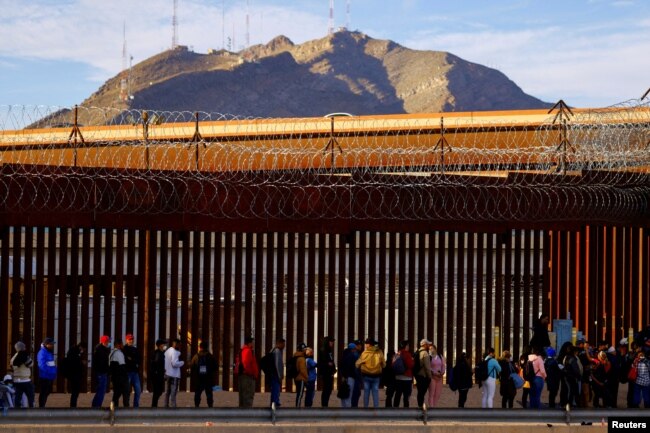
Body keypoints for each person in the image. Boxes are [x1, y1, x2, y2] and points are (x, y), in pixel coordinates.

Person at [355, 338, 386, 408]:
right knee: (375, 393)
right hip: (376, 376)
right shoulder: (379, 352)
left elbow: (357, 364)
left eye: (366, 343)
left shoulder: (365, 353)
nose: (365, 345)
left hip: (366, 376)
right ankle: (376, 408)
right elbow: (384, 365)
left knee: (366, 393)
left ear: (368, 345)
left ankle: (366, 408)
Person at [190, 341, 218, 407]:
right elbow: (215, 367)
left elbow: (192, 366)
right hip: (208, 378)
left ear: (200, 347)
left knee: (197, 393)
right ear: (207, 347)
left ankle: (197, 405)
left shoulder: (196, 356)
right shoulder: (210, 356)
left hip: (199, 378)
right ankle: (210, 405)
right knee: (209, 393)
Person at [10, 341, 35, 408]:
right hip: (26, 380)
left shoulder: (13, 358)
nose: (25, 348)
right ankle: (31, 409)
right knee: (30, 396)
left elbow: (12, 366)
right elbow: (31, 364)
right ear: (22, 348)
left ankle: (17, 411)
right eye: (24, 347)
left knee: (18, 397)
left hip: (17, 380)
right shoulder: (24, 356)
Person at [238, 336, 259, 408]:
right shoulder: (247, 351)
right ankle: (247, 413)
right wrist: (251, 373)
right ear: (250, 343)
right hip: (248, 377)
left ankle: (243, 413)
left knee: (244, 396)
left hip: (245, 376)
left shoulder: (244, 350)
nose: (253, 344)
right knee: (248, 395)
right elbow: (246, 364)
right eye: (253, 342)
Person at [392, 340, 414, 408]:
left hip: (398, 377)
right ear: (406, 346)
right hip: (407, 378)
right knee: (406, 395)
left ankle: (395, 408)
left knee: (398, 394)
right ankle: (406, 410)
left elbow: (393, 364)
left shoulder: (397, 354)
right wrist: (413, 361)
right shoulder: (407, 354)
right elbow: (410, 365)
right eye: (408, 345)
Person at [91, 335, 111, 408]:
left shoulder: (101, 349)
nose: (109, 343)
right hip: (101, 372)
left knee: (100, 390)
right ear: (104, 342)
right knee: (101, 390)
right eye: (108, 341)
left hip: (102, 372)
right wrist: (107, 370)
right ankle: (97, 406)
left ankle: (95, 405)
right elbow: (102, 363)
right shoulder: (100, 350)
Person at [164, 338, 184, 408]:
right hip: (174, 374)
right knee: (173, 391)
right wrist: (182, 363)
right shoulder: (175, 352)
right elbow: (174, 363)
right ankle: (173, 406)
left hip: (167, 373)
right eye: (179, 344)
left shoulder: (167, 351)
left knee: (167, 391)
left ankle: (166, 405)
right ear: (176, 344)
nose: (180, 346)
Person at [36, 337, 56, 408]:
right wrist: (51, 372)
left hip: (49, 376)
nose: (52, 345)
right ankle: (41, 407)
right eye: (51, 344)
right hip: (45, 376)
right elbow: (42, 365)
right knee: (44, 393)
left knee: (47, 392)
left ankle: (42, 406)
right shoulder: (42, 352)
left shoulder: (47, 352)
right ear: (46, 344)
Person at [64, 342, 85, 408]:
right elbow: (74, 363)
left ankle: (73, 405)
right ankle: (73, 406)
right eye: (83, 349)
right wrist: (81, 362)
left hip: (75, 374)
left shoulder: (75, 351)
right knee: (75, 392)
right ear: (81, 347)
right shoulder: (74, 352)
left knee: (75, 392)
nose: (83, 350)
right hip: (74, 375)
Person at [123, 333, 141, 408]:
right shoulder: (124, 349)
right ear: (126, 340)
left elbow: (138, 360)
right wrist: (133, 361)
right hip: (127, 372)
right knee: (127, 390)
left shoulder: (135, 349)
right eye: (129, 339)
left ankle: (136, 406)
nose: (131, 340)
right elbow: (126, 360)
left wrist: (132, 360)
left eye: (132, 339)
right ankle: (126, 405)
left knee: (138, 390)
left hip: (135, 372)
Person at [109, 339, 129, 408]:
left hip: (115, 377)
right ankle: (125, 410)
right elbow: (122, 365)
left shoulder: (112, 353)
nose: (123, 345)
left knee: (116, 393)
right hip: (121, 377)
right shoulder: (118, 353)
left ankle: (114, 408)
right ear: (118, 345)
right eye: (122, 344)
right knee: (124, 393)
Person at [318, 336, 336, 407]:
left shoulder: (329, 350)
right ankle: (324, 405)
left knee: (328, 390)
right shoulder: (323, 350)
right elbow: (322, 362)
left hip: (329, 372)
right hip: (326, 373)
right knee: (326, 389)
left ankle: (325, 404)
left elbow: (330, 361)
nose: (332, 343)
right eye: (331, 342)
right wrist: (328, 364)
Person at [338, 342, 358, 408]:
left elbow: (341, 366)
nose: (356, 350)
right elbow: (350, 367)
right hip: (350, 376)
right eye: (355, 349)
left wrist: (343, 376)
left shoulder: (344, 355)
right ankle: (348, 408)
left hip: (345, 376)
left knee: (344, 392)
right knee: (349, 393)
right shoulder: (351, 356)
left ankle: (343, 407)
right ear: (353, 349)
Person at [414, 339, 432, 409]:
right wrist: (429, 376)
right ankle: (421, 407)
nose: (429, 346)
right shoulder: (425, 353)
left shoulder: (417, 351)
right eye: (428, 344)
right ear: (424, 345)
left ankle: (419, 405)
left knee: (420, 392)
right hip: (423, 376)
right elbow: (427, 367)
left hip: (417, 375)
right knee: (422, 393)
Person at [268, 338, 285, 408]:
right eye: (283, 344)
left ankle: (273, 402)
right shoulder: (277, 351)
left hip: (272, 374)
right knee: (276, 389)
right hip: (275, 374)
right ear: (280, 343)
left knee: (274, 389)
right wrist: (280, 375)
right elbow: (278, 364)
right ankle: (275, 403)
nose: (284, 346)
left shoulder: (273, 350)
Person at [150, 339, 167, 407]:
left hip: (158, 374)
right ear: (160, 345)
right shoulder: (158, 353)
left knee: (158, 391)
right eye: (163, 344)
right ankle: (154, 406)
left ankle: (154, 405)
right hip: (157, 376)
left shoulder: (160, 352)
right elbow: (156, 363)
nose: (164, 345)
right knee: (157, 391)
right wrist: (157, 372)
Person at [293, 343, 308, 407]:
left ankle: (297, 406)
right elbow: (303, 370)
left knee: (298, 393)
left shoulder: (296, 357)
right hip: (301, 378)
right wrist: (307, 378)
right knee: (300, 394)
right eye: (305, 349)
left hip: (296, 378)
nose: (305, 350)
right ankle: (297, 407)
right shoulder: (301, 359)